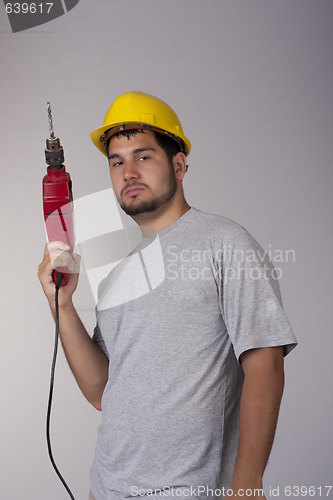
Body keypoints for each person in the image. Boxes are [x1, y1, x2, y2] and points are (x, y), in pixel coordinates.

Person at [38, 91, 297, 500]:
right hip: (104, 488)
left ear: (179, 165)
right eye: (116, 161)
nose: (128, 172)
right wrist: (64, 306)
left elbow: (265, 364)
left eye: (143, 157)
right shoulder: (116, 277)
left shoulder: (225, 243)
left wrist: (247, 485)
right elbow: (102, 390)